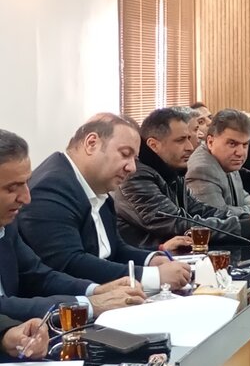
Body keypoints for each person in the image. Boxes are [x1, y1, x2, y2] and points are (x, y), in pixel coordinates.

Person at [18, 114, 192, 291]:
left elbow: (115, 249)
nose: (132, 168)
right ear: (91, 143)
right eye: (125, 154)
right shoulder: (51, 188)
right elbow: (68, 263)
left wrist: (152, 260)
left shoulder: (96, 188)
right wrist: (153, 276)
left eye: (135, 159)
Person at [0, 129, 145, 321]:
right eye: (12, 188)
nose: (26, 198)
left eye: (26, 183)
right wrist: (90, 305)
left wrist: (96, 290)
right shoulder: (51, 186)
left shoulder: (6, 225)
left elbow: (38, 275)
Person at [113, 108, 250, 249]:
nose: (190, 147)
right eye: (180, 140)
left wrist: (246, 219)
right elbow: (178, 224)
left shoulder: (171, 170)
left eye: (189, 138)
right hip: (146, 263)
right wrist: (248, 227)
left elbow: (200, 210)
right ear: (154, 145)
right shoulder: (135, 177)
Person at [186, 109, 250, 217]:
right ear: (210, 142)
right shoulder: (201, 170)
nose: (240, 153)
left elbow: (240, 196)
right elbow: (217, 215)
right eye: (232, 144)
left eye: (245, 145)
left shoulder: (227, 161)